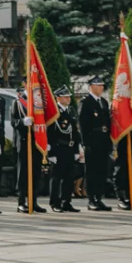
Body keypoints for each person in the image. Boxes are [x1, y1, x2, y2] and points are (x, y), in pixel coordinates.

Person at [78, 75, 112, 211]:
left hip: (103, 141)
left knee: (102, 172)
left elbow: (108, 124)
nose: (101, 87)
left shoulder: (104, 102)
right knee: (92, 172)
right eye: (98, 85)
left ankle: (99, 198)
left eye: (102, 85)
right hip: (92, 142)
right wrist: (85, 143)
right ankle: (92, 199)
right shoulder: (85, 102)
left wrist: (109, 143)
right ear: (91, 87)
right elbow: (82, 124)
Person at [10, 84, 44, 213]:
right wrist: (23, 122)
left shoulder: (38, 102)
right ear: (25, 85)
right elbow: (13, 121)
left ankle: (33, 202)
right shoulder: (18, 102)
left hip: (36, 142)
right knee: (23, 174)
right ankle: (21, 202)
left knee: (36, 173)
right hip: (24, 142)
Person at [48, 85, 80, 213]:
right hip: (59, 148)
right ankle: (55, 203)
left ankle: (66, 201)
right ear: (58, 98)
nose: (68, 99)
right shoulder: (54, 112)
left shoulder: (70, 111)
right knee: (56, 177)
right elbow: (50, 133)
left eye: (69, 97)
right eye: (65, 97)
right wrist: (51, 152)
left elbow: (75, 132)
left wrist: (77, 149)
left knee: (69, 177)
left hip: (70, 148)